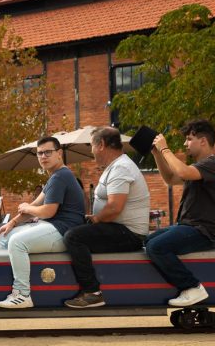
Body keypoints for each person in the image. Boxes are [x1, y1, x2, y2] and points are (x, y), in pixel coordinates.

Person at [0, 136, 86, 309]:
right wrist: (12, 222)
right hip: (53, 228)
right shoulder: (54, 177)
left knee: (17, 242)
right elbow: (35, 205)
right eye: (40, 153)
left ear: (59, 153)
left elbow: (48, 211)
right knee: (4, 237)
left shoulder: (61, 176)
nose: (43, 156)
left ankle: (22, 294)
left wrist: (27, 208)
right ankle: (13, 286)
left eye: (48, 152)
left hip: (64, 232)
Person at [64, 127, 152, 308]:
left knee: (73, 237)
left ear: (102, 144)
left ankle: (92, 292)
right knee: (74, 230)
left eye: (92, 146)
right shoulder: (116, 166)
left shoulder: (121, 168)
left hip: (129, 234)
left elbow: (114, 208)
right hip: (119, 228)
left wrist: (96, 219)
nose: (92, 151)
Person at [146, 119, 215, 308]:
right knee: (148, 241)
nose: (185, 143)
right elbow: (170, 178)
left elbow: (182, 172)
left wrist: (165, 149)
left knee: (156, 247)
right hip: (190, 227)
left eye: (189, 139)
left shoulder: (213, 164)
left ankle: (192, 287)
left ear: (203, 141)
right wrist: (157, 154)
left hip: (204, 231)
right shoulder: (198, 168)